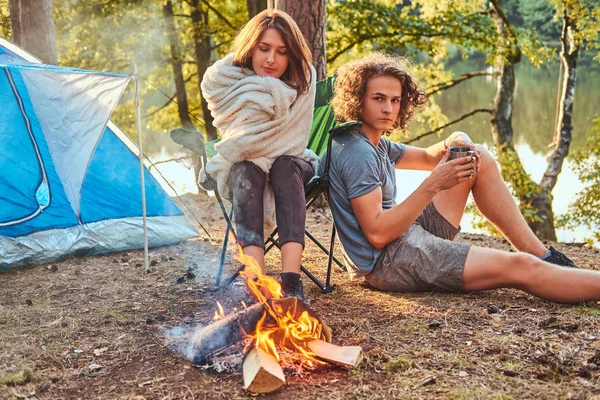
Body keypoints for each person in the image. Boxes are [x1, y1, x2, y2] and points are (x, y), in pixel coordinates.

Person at [323, 52, 600, 303]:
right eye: (379, 98)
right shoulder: (358, 152)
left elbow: (430, 157)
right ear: (357, 99)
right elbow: (377, 234)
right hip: (388, 263)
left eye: (395, 100)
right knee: (520, 267)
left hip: (404, 238)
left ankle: (545, 257)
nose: (389, 109)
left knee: (476, 156)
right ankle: (547, 267)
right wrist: (434, 183)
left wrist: (458, 140)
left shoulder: (374, 141)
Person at [199, 10, 317, 300]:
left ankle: (291, 283)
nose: (271, 60)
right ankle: (256, 283)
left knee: (284, 166)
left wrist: (268, 154)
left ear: (292, 57)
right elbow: (240, 140)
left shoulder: (303, 78)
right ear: (251, 47)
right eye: (263, 49)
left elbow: (294, 138)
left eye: (281, 52)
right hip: (245, 161)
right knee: (245, 168)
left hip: (293, 160)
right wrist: (252, 155)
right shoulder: (229, 80)